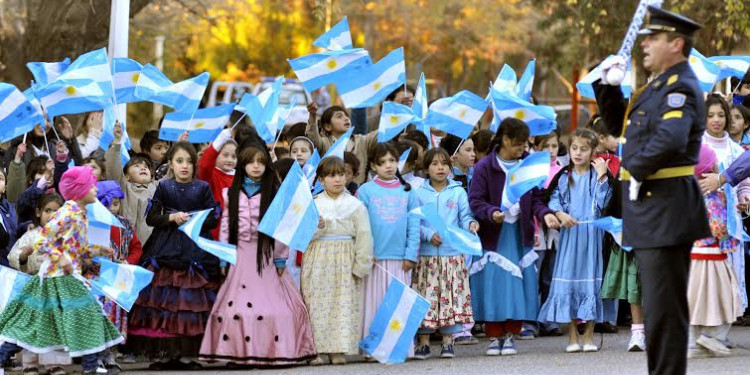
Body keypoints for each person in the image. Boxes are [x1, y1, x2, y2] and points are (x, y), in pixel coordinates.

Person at [595, 7, 708, 374]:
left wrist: (635, 168)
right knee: (658, 307)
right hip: (650, 208)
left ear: (676, 44)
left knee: (664, 311)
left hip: (667, 205)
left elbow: (671, 138)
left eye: (654, 38)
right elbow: (622, 130)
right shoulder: (656, 86)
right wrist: (608, 88)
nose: (644, 43)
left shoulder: (679, 86)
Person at [199, 146, 317, 366]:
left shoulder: (274, 193)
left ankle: (269, 351)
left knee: (275, 309)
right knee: (236, 309)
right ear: (242, 165)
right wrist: (224, 257)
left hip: (266, 257)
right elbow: (225, 227)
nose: (256, 166)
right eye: (251, 162)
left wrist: (281, 258)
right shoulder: (229, 193)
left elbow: (280, 230)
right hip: (239, 256)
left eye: (261, 162)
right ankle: (238, 353)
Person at [0, 166, 121, 375]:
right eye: (91, 185)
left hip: (66, 276)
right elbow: (43, 239)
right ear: (81, 189)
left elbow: (76, 248)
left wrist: (98, 249)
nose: (95, 189)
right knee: (84, 313)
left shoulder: (80, 213)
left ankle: (91, 365)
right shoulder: (68, 211)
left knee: (51, 319)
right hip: (55, 277)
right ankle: (90, 365)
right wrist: (61, 257)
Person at [126, 142, 220, 370]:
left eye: (189, 161)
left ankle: (189, 355)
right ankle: (166, 354)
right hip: (165, 247)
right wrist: (171, 218)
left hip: (194, 248)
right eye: (179, 161)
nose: (184, 166)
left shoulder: (202, 187)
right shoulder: (164, 187)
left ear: (195, 165)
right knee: (165, 303)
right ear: (171, 164)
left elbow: (214, 216)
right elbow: (152, 218)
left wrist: (194, 218)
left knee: (191, 302)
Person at [468, 118, 556, 356]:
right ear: (505, 140)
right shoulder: (485, 166)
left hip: (519, 233)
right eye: (518, 144)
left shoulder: (527, 163)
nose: (522, 148)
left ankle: (511, 334)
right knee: (495, 285)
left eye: (524, 144)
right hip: (495, 235)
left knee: (518, 286)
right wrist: (491, 212)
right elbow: (475, 200)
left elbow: (536, 199)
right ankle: (494, 335)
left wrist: (546, 215)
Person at [537, 129, 613, 352]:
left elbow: (604, 202)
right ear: (568, 149)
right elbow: (554, 200)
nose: (578, 153)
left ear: (593, 152)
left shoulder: (597, 175)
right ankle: (571, 336)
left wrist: (601, 176)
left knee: (591, 281)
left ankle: (588, 335)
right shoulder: (563, 176)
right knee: (568, 281)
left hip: (592, 235)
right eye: (574, 148)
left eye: (584, 149)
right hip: (570, 236)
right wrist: (560, 214)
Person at [302, 156, 373, 365]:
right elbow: (302, 236)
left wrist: (361, 264)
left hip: (344, 258)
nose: (337, 180)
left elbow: (364, 235)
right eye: (331, 176)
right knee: (315, 302)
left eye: (341, 174)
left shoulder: (355, 205)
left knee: (343, 303)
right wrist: (317, 227)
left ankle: (337, 348)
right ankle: (314, 349)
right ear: (321, 180)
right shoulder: (313, 204)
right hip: (318, 258)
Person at [413, 148, 478, 360]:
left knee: (450, 297)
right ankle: (423, 343)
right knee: (427, 297)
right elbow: (414, 221)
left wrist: (471, 225)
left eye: (444, 163)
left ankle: (448, 342)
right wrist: (428, 234)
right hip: (427, 257)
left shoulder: (458, 192)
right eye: (434, 164)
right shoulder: (419, 193)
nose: (440, 168)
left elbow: (465, 216)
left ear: (450, 167)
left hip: (452, 255)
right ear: (426, 168)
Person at [356, 143, 419, 358]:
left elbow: (414, 225)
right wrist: (365, 252)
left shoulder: (408, 191)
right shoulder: (365, 191)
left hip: (399, 258)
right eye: (383, 162)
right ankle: (372, 349)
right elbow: (360, 226)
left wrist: (411, 254)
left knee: (397, 304)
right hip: (374, 258)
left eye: (392, 160)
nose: (389, 166)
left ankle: (397, 347)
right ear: (373, 165)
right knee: (373, 303)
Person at [687, 145, 743, 359]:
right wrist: (730, 240)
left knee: (693, 299)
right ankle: (714, 336)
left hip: (689, 258)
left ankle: (693, 343)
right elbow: (719, 227)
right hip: (712, 256)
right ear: (710, 168)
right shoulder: (715, 196)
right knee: (724, 296)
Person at [7, 193, 69, 375]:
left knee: (55, 327)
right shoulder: (31, 236)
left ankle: (54, 363)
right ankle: (30, 362)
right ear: (38, 212)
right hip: (35, 287)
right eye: (47, 211)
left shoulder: (64, 238)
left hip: (56, 288)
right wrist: (24, 256)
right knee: (32, 327)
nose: (51, 215)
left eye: (56, 212)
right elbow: (14, 257)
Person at [701, 94, 749, 312]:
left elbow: (744, 184)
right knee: (702, 274)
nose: (716, 120)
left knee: (728, 272)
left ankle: (721, 329)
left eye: (721, 115)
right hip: (699, 222)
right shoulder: (695, 147)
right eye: (710, 115)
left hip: (728, 224)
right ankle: (701, 326)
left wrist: (744, 199)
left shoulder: (737, 151)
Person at [105, 122, 158, 245]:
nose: (143, 168)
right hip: (127, 246)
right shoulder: (123, 188)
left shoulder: (158, 187)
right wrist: (117, 141)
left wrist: (180, 144)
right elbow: (114, 170)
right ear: (127, 176)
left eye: (146, 167)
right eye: (137, 166)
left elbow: (173, 173)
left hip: (153, 249)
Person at [306, 103, 377, 184]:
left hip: (357, 192)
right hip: (330, 190)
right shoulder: (325, 143)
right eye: (339, 116)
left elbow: (381, 133)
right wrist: (312, 115)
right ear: (327, 126)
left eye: (347, 116)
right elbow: (312, 139)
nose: (346, 118)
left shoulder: (362, 140)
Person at [197, 128, 237, 240]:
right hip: (215, 234)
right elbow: (204, 166)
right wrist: (217, 144)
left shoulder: (240, 177)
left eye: (234, 156)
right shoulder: (212, 175)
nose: (230, 159)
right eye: (225, 155)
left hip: (236, 235)